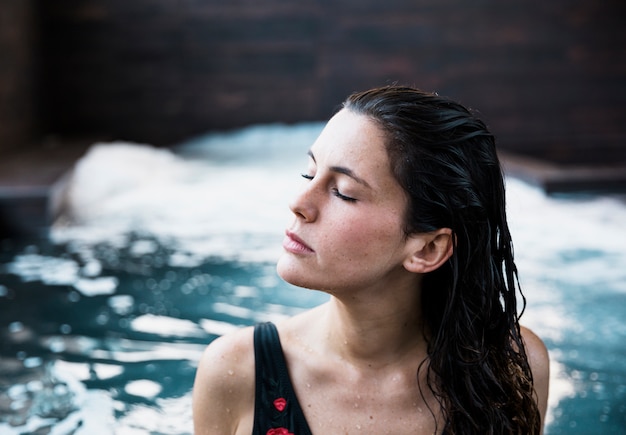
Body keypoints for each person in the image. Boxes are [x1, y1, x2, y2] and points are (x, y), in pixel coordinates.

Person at [192, 85, 550, 434]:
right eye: (310, 173)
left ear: (427, 249)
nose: (299, 202)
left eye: (343, 193)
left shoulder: (510, 367)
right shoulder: (238, 371)